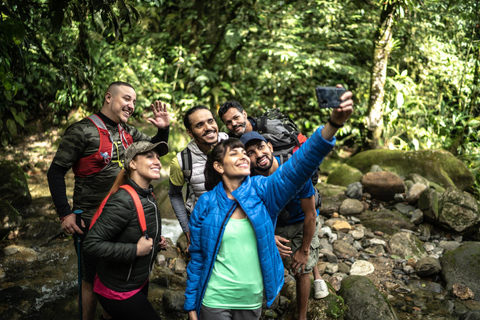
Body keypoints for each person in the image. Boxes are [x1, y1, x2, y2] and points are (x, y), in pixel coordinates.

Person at [184, 93, 353, 320]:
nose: (245, 156)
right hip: (214, 300)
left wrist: (333, 125)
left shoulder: (262, 190)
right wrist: (191, 309)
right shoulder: (205, 204)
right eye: (235, 153)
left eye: (245, 153)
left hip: (251, 300)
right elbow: (197, 259)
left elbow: (298, 166)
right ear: (218, 166)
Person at [47, 81, 170, 320]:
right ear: (108, 98)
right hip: (90, 220)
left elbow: (156, 151)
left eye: (134, 101)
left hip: (125, 215)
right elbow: (56, 171)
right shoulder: (81, 131)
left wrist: (164, 129)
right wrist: (65, 213)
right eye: (126, 99)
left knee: (116, 275)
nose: (131, 105)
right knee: (90, 278)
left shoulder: (129, 132)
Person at [240, 130, 329, 320]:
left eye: (261, 147)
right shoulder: (249, 183)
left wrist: (304, 250)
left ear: (270, 147)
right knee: (260, 266)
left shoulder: (295, 173)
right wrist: (269, 238)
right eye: (250, 153)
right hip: (274, 225)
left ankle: (302, 317)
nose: (258, 155)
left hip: (301, 223)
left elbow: (311, 215)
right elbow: (250, 217)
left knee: (301, 270)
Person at [84, 141, 169, 320]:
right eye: (149, 156)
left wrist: (156, 241)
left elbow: (134, 229)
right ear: (133, 164)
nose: (158, 162)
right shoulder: (123, 200)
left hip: (137, 281)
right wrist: (136, 250)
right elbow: (91, 244)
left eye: (158, 158)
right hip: (117, 289)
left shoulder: (148, 194)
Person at [168, 106, 228, 246]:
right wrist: (187, 229)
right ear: (190, 132)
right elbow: (175, 195)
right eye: (200, 125)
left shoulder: (233, 145)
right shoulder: (182, 161)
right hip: (203, 224)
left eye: (210, 121)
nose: (208, 127)